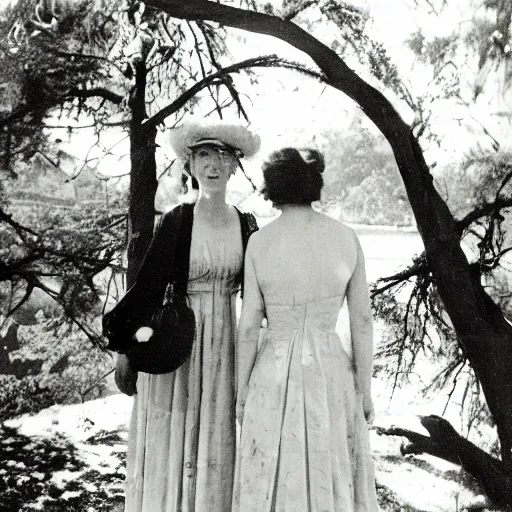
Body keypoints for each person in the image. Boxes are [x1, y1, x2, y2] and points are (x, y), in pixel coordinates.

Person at [114, 120, 261, 512]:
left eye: (223, 155)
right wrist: (124, 350)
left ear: (235, 166)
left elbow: (261, 297)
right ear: (190, 164)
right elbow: (146, 288)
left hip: (225, 344)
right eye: (203, 155)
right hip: (180, 339)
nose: (213, 164)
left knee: (216, 433)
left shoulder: (247, 225)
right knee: (175, 432)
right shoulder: (178, 220)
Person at [233, 147, 378, 511]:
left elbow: (249, 325)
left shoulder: (259, 242)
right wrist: (364, 389)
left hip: (274, 370)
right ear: (314, 184)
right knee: (330, 467)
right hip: (329, 370)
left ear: (274, 187)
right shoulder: (346, 237)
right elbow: (361, 321)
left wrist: (242, 390)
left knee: (273, 470)